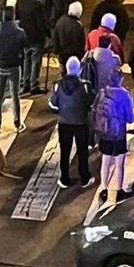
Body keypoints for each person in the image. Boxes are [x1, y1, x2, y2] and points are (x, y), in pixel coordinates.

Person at [48, 54, 94, 191]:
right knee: (82, 151)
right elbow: (91, 102)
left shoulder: (58, 85)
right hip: (81, 123)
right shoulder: (85, 85)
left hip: (64, 123)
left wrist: (60, 113)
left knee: (65, 151)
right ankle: (84, 178)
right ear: (79, 70)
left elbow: (52, 104)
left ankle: (64, 178)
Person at [92, 65, 134, 207]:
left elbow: (95, 111)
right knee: (119, 163)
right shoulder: (125, 95)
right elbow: (130, 118)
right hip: (119, 134)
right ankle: (119, 190)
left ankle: (104, 188)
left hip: (105, 133)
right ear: (120, 80)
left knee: (105, 161)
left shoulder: (102, 93)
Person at [0, 3, 27, 132]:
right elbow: (25, 48)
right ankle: (17, 123)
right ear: (13, 16)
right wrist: (20, 60)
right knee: (15, 95)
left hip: (0, 66)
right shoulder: (20, 32)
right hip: (14, 67)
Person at [17, 0, 48, 95]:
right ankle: (34, 85)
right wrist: (47, 34)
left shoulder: (21, 3)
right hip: (36, 37)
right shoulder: (38, 4)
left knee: (26, 60)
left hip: (25, 36)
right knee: (35, 61)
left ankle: (25, 83)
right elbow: (41, 22)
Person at [52, 1, 86, 71]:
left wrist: (56, 51)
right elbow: (81, 43)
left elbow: (55, 38)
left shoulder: (60, 20)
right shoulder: (77, 26)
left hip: (62, 55)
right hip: (73, 56)